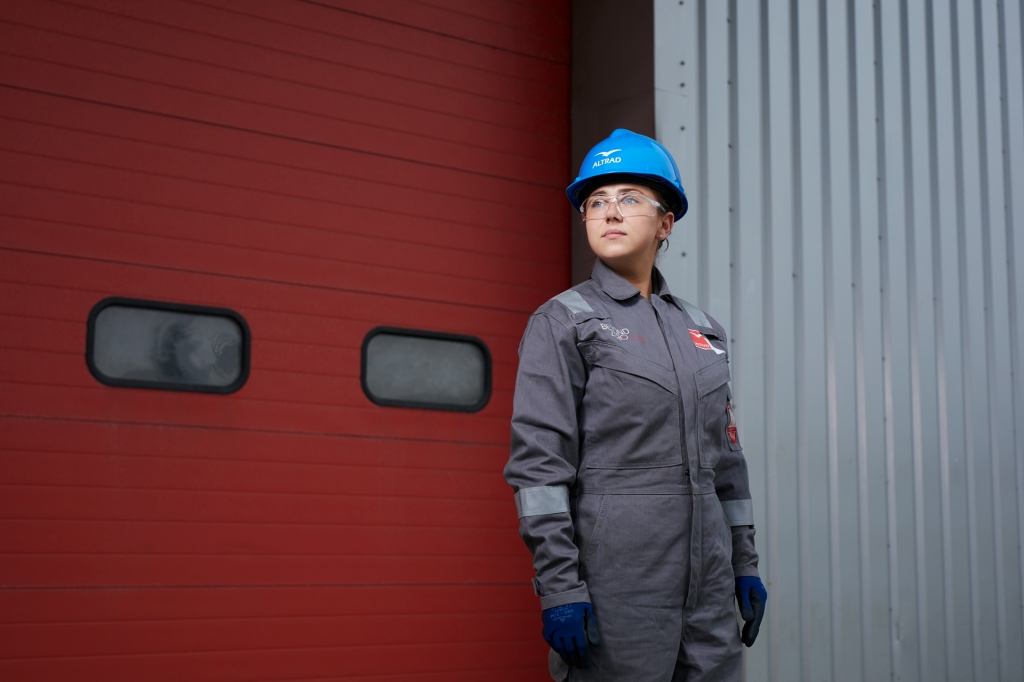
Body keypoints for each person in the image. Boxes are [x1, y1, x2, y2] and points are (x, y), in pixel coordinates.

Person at [504, 129, 767, 681]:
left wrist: (744, 563)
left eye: (629, 198)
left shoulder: (702, 331)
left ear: (665, 223)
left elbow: (728, 466)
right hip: (618, 592)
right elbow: (539, 470)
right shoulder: (565, 321)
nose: (609, 211)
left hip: (710, 589)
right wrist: (560, 588)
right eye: (596, 201)